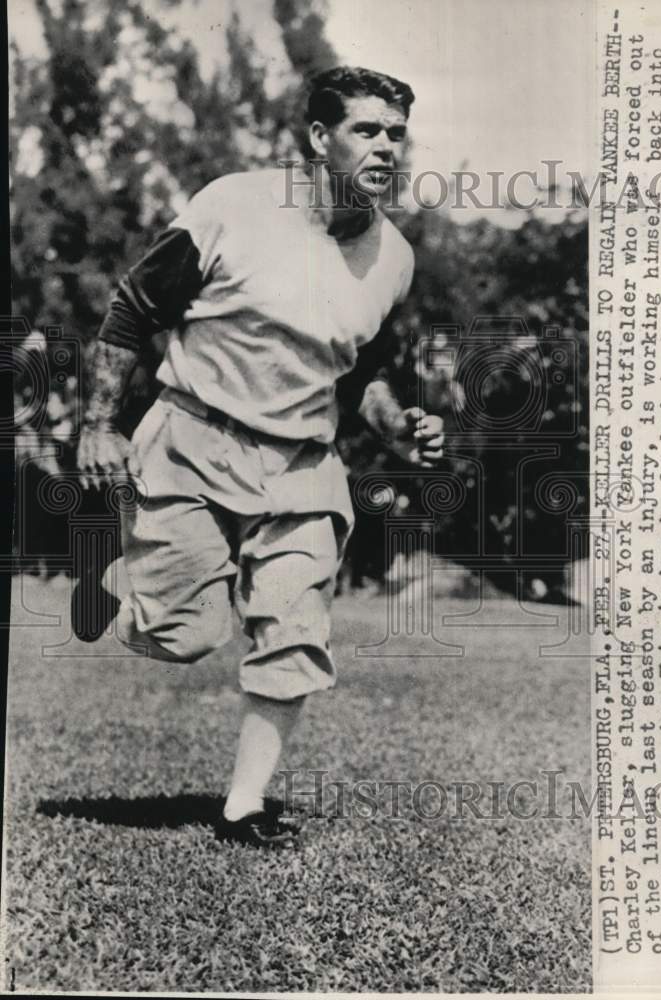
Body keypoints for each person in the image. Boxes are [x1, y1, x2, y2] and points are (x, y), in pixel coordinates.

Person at [76, 66, 444, 847]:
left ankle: (241, 808)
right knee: (185, 635)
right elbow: (130, 313)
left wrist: (402, 429)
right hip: (192, 436)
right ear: (319, 138)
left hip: (302, 464)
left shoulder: (395, 259)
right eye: (365, 130)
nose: (385, 147)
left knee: (293, 630)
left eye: (395, 134)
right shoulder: (233, 206)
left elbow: (366, 376)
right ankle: (118, 578)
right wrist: (99, 425)